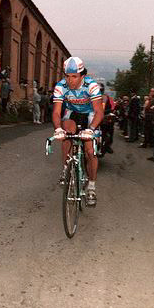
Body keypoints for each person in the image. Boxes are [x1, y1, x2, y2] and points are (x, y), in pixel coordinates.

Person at [52, 57, 104, 206]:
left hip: (90, 115)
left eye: (74, 76)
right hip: (72, 113)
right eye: (67, 76)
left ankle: (92, 187)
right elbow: (56, 112)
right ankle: (65, 168)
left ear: (82, 75)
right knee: (66, 133)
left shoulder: (92, 86)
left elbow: (99, 112)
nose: (70, 80)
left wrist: (91, 129)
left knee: (90, 151)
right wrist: (58, 129)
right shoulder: (60, 86)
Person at [99, 83, 114, 154]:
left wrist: (107, 112)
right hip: (92, 117)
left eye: (100, 90)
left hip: (102, 118)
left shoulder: (106, 98)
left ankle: (107, 145)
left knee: (110, 129)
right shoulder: (89, 97)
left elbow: (110, 107)